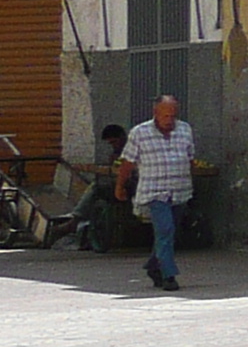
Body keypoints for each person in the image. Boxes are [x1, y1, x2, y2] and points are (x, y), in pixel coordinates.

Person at [119, 95, 196, 291]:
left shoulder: (185, 129)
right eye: (166, 116)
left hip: (179, 191)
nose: (170, 120)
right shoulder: (139, 133)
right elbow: (127, 162)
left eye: (173, 116)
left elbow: (190, 158)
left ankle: (154, 266)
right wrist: (120, 185)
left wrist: (191, 181)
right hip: (155, 192)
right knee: (165, 230)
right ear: (156, 114)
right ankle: (168, 275)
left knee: (169, 233)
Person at [66, 124, 131, 251]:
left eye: (114, 142)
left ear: (123, 137)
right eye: (110, 143)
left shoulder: (132, 150)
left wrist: (90, 168)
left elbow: (118, 171)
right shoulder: (116, 154)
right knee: (98, 184)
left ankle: (76, 219)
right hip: (123, 184)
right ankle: (77, 219)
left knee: (96, 187)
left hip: (131, 186)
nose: (113, 145)